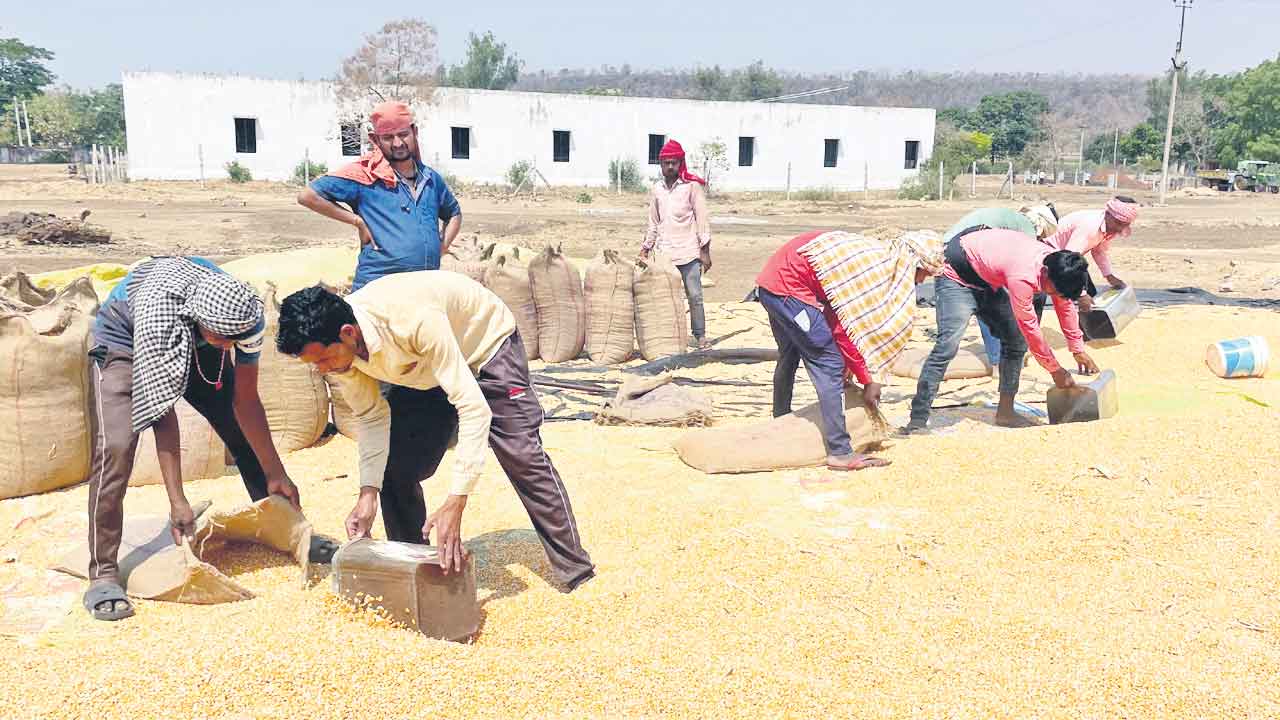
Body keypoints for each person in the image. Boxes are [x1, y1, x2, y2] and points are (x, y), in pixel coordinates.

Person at [276, 273, 595, 591]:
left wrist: (456, 500)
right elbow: (372, 417)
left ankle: (576, 571)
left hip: (483, 347)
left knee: (522, 455)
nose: (323, 369)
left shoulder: (411, 319)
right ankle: (418, 575)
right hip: (423, 367)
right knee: (393, 469)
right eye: (315, 364)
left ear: (348, 333)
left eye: (325, 358)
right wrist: (367, 493)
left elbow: (473, 408)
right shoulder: (342, 356)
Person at [84, 257, 302, 621]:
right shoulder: (161, 320)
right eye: (220, 339)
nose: (228, 347)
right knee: (116, 448)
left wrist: (277, 471)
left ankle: (283, 525)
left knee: (235, 423)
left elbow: (246, 401)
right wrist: (178, 501)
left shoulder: (244, 316)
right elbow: (161, 412)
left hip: (195, 329)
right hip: (124, 338)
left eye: (233, 340)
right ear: (197, 320)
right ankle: (103, 572)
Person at [755, 229, 944, 470]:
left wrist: (857, 368)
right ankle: (840, 451)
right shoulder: (876, 271)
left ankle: (781, 421)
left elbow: (838, 317)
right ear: (911, 264)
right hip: (788, 289)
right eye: (923, 273)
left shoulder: (879, 256)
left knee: (791, 354)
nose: (921, 281)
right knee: (828, 363)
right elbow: (842, 325)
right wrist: (868, 379)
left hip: (772, 285)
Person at [903, 228, 1097, 434]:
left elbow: (1065, 306)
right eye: (1055, 291)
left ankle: (1005, 412)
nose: (1056, 295)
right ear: (1046, 274)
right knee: (947, 346)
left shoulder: (1061, 267)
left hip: (987, 280)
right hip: (956, 277)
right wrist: (1055, 370)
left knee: (1015, 341)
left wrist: (1077, 348)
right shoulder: (1023, 276)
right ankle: (918, 419)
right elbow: (1030, 329)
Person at [298, 101, 462, 291]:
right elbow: (308, 196)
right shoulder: (365, 175)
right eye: (388, 137)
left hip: (424, 288)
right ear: (375, 139)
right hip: (376, 289)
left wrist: (442, 246)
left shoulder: (430, 178)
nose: (398, 143)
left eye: (403, 134)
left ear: (414, 132)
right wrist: (357, 221)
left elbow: (453, 213)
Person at [941, 205, 1059, 367]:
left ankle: (1008, 354)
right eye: (1042, 236)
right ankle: (998, 361)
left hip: (960, 248)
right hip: (961, 253)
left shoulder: (1015, 220)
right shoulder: (1027, 229)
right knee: (992, 304)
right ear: (1041, 227)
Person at [639, 139, 712, 350]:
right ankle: (669, 337)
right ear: (661, 165)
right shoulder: (657, 190)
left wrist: (705, 252)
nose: (670, 166)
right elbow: (653, 222)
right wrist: (645, 248)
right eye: (666, 163)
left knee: (695, 296)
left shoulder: (692, 187)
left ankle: (700, 336)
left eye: (674, 162)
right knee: (664, 299)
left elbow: (702, 220)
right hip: (664, 255)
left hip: (688, 253)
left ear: (681, 163)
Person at [1045, 196, 1140, 310]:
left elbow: (1099, 251)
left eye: (1125, 225)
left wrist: (1109, 276)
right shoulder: (1090, 226)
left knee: (1088, 298)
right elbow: (1069, 261)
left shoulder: (1108, 227)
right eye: (1118, 223)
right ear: (1109, 214)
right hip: (1049, 258)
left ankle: (1083, 320)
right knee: (1066, 297)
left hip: (1065, 260)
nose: (1120, 229)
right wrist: (1081, 294)